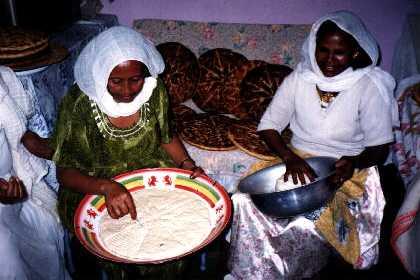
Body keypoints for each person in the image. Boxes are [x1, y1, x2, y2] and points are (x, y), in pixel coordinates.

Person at [227, 11, 398, 279]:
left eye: (339, 52)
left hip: (347, 168)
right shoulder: (299, 79)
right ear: (313, 47)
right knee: (245, 201)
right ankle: (253, 271)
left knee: (313, 213)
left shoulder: (368, 86)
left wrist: (353, 163)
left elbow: (379, 148)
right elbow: (269, 125)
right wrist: (289, 157)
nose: (329, 60)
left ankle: (298, 271)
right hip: (299, 161)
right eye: (323, 50)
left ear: (354, 52)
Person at [47, 26, 204, 279]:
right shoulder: (80, 104)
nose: (128, 90)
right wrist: (106, 187)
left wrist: (186, 162)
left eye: (135, 79)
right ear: (100, 75)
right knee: (121, 248)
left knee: (170, 238)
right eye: (116, 81)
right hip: (94, 181)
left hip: (148, 170)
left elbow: (165, 136)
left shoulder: (153, 91)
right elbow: (65, 172)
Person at [0, 66, 70, 279]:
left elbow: (23, 137)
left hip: (17, 181)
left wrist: (67, 151)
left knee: (47, 236)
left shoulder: (4, 77)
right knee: (8, 257)